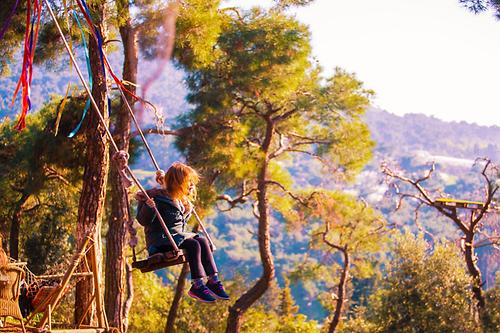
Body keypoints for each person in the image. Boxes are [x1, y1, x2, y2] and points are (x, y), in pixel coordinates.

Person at [136, 162, 229, 303]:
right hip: (160, 242)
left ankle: (213, 280)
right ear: (178, 183)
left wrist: (187, 209)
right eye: (188, 182)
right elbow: (143, 221)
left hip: (175, 238)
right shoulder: (157, 198)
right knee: (193, 245)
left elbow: (179, 223)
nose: (192, 185)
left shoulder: (179, 200)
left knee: (202, 240)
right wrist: (149, 207)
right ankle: (197, 285)